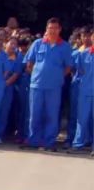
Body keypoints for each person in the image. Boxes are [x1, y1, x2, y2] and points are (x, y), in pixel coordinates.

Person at [23, 18, 74, 151]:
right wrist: (36, 74)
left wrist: (57, 76)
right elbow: (29, 63)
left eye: (55, 28)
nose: (52, 30)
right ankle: (33, 140)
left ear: (59, 29)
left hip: (54, 87)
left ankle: (49, 142)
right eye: (50, 28)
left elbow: (68, 67)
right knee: (35, 114)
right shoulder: (38, 43)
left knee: (52, 114)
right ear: (46, 29)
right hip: (37, 85)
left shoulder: (65, 46)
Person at [71, 32, 93, 153]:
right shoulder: (83, 54)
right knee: (82, 118)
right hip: (85, 90)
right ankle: (78, 144)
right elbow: (78, 71)